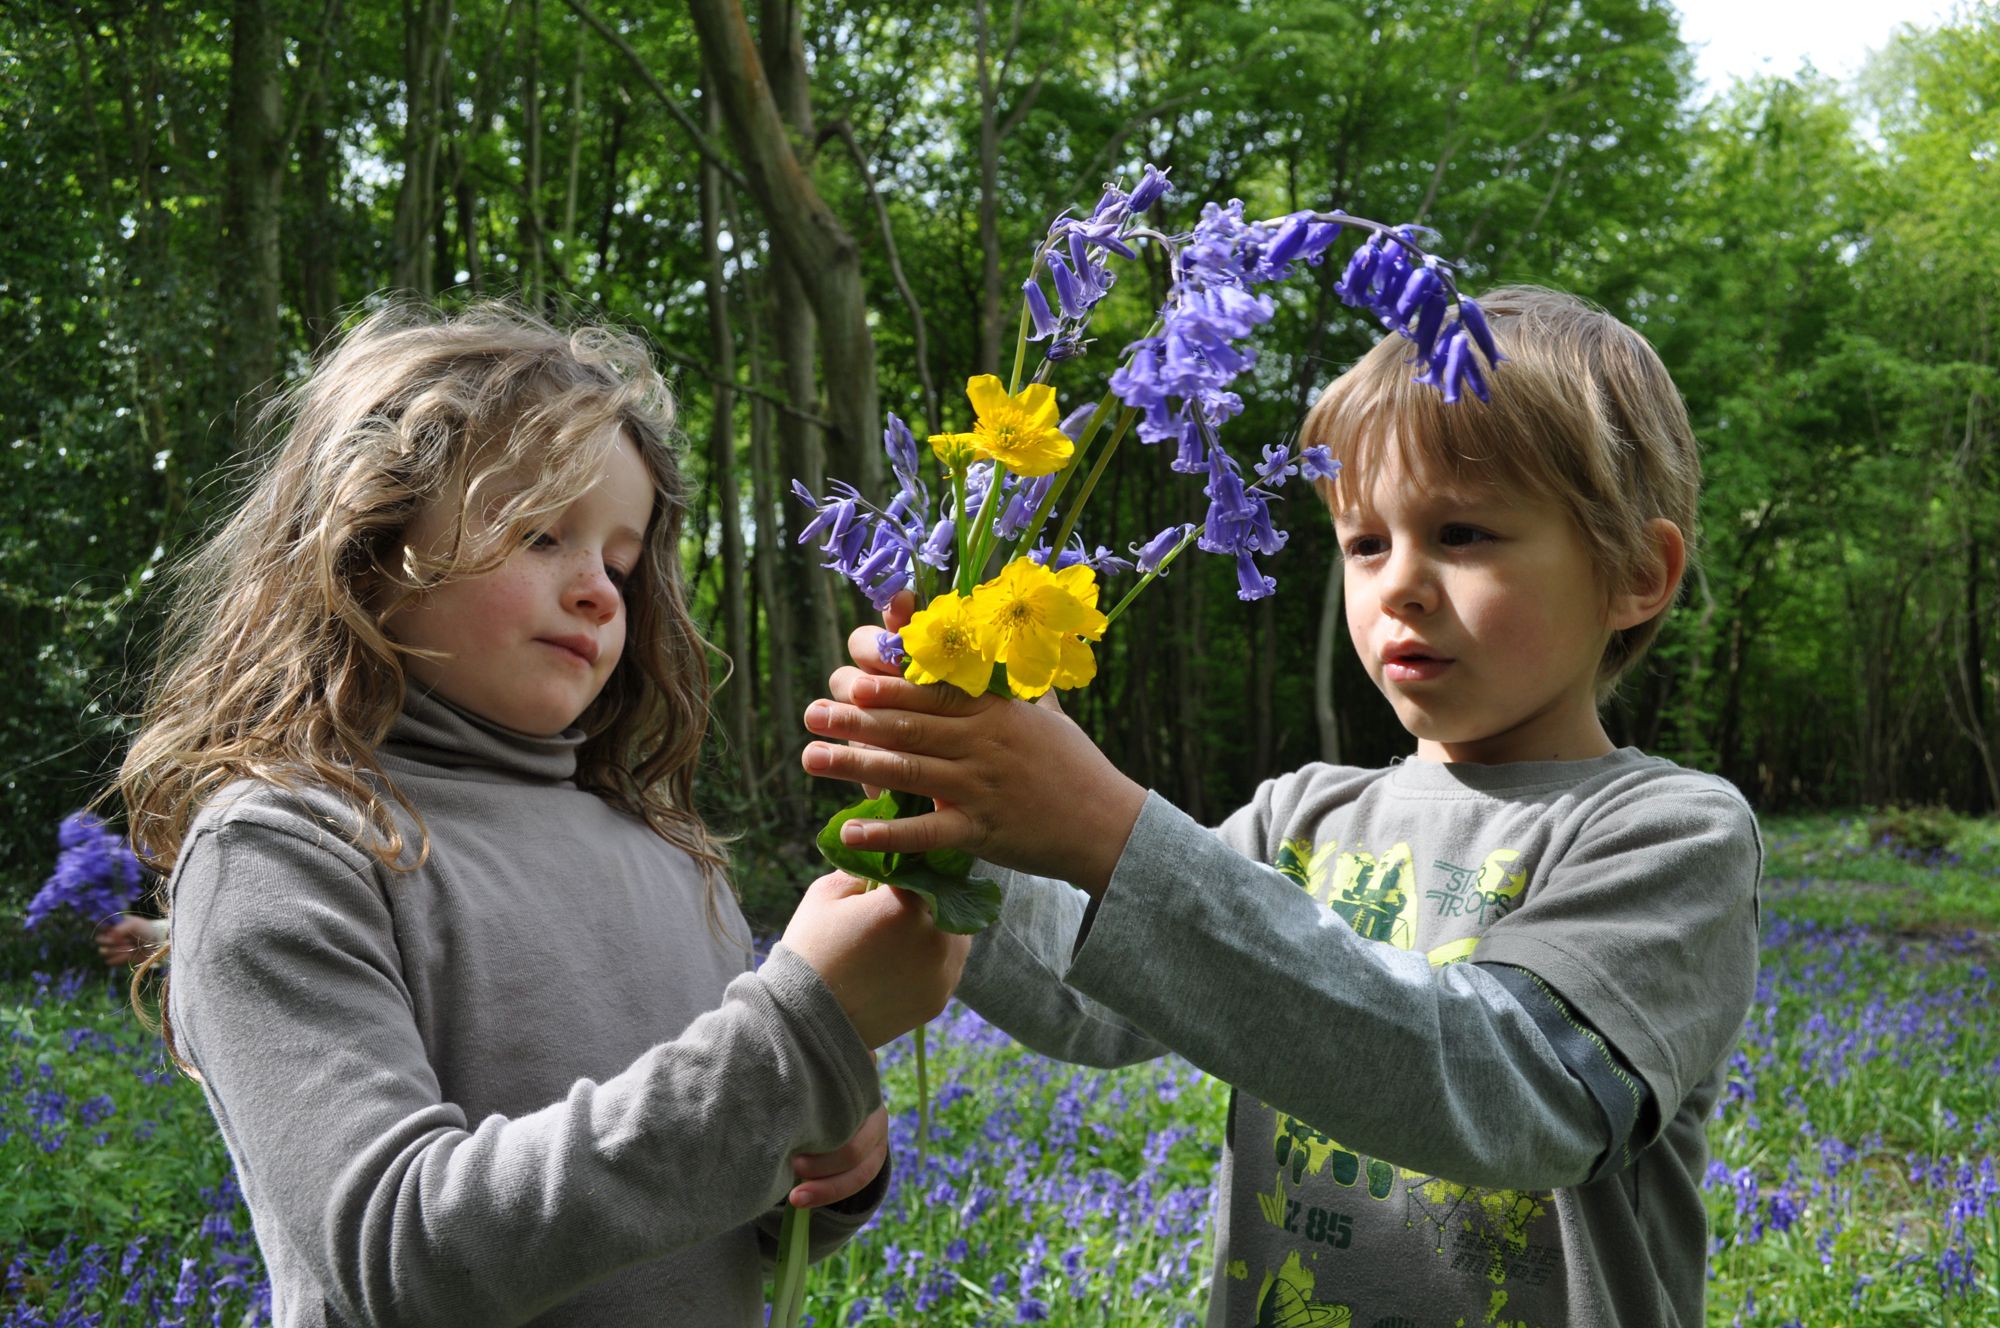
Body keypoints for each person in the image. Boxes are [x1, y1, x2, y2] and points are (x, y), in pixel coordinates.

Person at [799, 286, 1762, 1327]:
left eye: (1462, 532)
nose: (1399, 583)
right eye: (1364, 543)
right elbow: (1094, 1004)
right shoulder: (1301, 815)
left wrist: (1106, 830)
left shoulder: (1668, 833)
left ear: (1635, 574)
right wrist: (958, 823)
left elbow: (1517, 1091)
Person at [117, 300, 965, 1328]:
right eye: (541, 533)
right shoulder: (286, 848)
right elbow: (398, 1254)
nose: (600, 591)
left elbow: (698, 1211)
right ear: (369, 539)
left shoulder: (667, 854)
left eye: (620, 562)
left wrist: (823, 1163)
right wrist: (785, 1046)